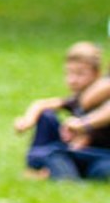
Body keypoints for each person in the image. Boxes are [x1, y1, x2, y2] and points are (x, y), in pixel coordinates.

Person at [15, 41, 110, 178]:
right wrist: (27, 121)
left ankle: (52, 169)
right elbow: (42, 104)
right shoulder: (83, 96)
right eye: (69, 74)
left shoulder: (101, 94)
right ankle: (47, 163)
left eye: (80, 74)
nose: (72, 80)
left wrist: (82, 126)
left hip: (99, 154)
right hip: (77, 152)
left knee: (98, 169)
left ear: (96, 74)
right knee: (47, 120)